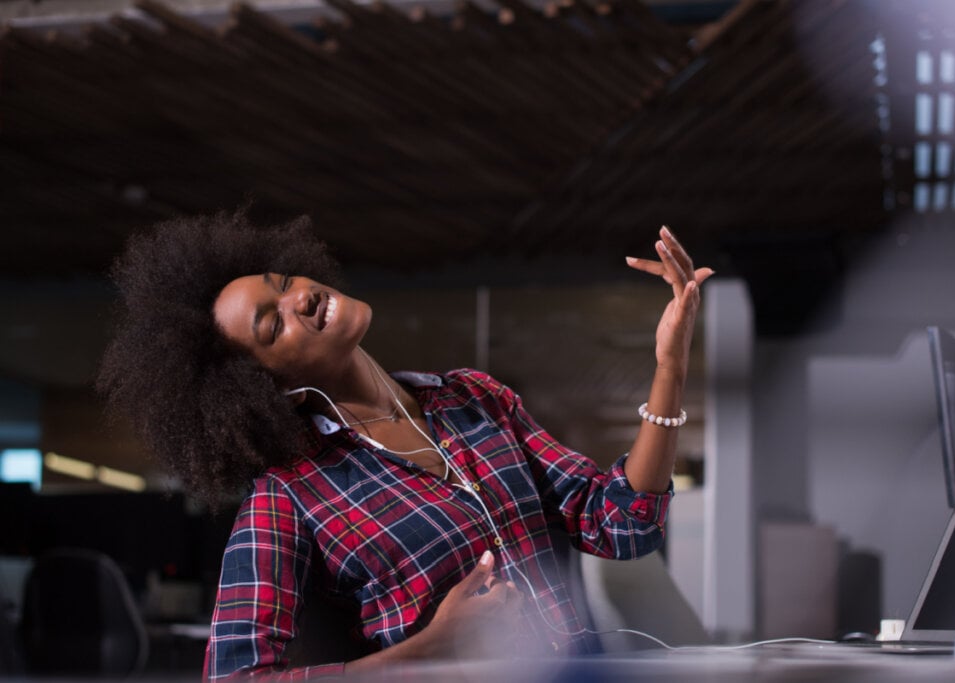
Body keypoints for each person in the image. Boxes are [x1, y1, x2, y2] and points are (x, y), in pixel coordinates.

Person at [97, 208, 712, 679]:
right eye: (272, 322)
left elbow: (622, 524)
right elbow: (236, 676)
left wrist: (670, 369)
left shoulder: (474, 400)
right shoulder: (289, 497)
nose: (298, 298)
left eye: (282, 281)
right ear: (259, 385)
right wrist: (426, 652)